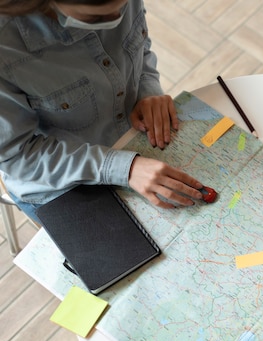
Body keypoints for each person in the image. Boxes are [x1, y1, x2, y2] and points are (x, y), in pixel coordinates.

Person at [0, 0, 205, 223]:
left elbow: (139, 41)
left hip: (135, 142)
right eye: (95, 18)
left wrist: (147, 86)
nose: (118, 18)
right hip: (61, 187)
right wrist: (123, 168)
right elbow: (17, 157)